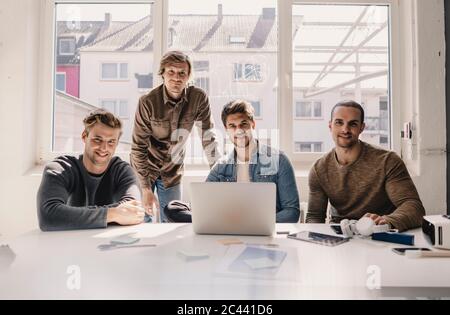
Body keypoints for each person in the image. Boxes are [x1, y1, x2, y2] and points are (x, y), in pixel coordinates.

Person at [165, 99, 300, 223]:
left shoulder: (279, 160)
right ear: (226, 130)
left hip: (265, 232)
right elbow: (199, 206)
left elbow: (292, 212)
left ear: (253, 124)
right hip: (230, 231)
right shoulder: (221, 167)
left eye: (244, 124)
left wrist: (252, 224)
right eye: (232, 126)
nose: (239, 130)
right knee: (171, 209)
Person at [306, 100, 425, 232]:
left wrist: (386, 221)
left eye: (353, 124)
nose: (345, 129)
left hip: (380, 233)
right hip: (341, 236)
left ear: (362, 128)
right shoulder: (319, 169)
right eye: (339, 122)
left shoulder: (387, 161)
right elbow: (314, 217)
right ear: (330, 126)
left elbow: (414, 207)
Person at [131, 51, 219, 222]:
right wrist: (145, 188)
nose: (176, 78)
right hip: (144, 169)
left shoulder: (198, 98)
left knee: (173, 222)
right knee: (141, 221)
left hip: (172, 172)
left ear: (188, 77)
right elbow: (138, 147)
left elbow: (208, 138)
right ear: (162, 74)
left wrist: (219, 173)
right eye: (170, 72)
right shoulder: (147, 102)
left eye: (182, 73)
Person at [37, 109, 144, 231]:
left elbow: (134, 212)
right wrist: (113, 214)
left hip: (110, 243)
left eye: (111, 142)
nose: (104, 148)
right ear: (84, 136)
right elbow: (49, 216)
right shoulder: (60, 168)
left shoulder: (122, 170)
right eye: (97, 140)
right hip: (69, 242)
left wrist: (69, 215)